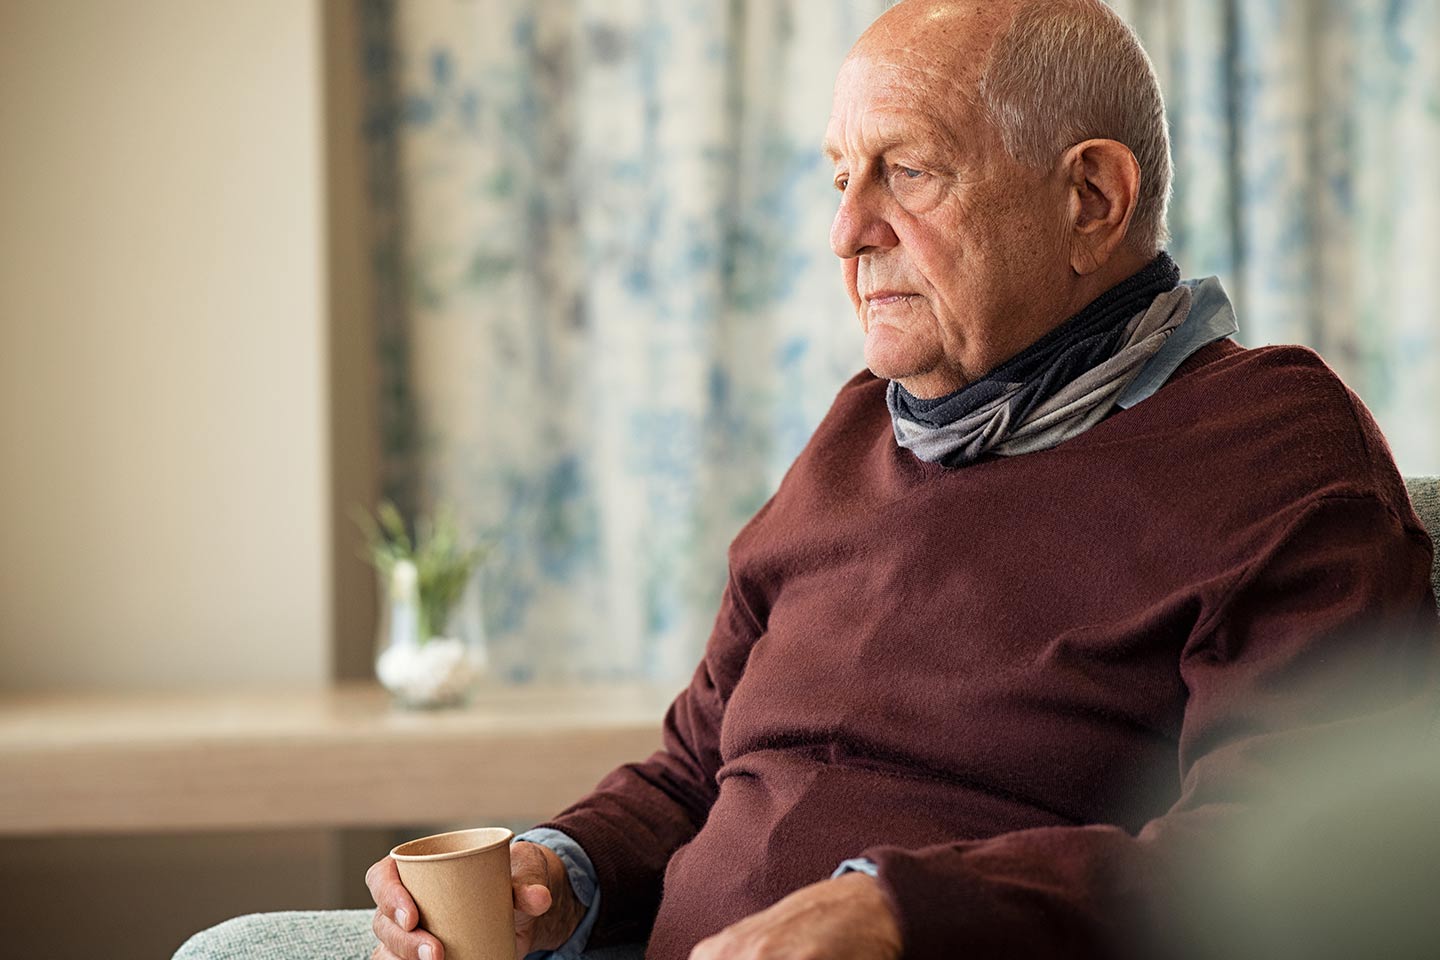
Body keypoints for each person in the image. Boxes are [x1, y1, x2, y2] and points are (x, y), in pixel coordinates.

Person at [176, 1, 1438, 959]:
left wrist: (899, 912)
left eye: (909, 171)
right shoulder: (855, 433)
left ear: (1092, 198)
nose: (846, 232)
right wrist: (558, 870)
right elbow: (692, 770)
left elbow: (1294, 862)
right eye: (841, 177)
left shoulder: (1272, 445)